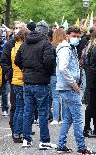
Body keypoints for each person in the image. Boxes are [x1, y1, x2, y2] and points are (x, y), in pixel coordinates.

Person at [15, 20, 57, 149]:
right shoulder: (46, 44)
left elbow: (17, 60)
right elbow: (49, 62)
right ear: (45, 31)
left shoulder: (25, 43)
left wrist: (26, 70)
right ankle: (44, 141)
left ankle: (26, 139)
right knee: (43, 112)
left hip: (27, 82)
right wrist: (47, 72)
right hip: (41, 82)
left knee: (28, 111)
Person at [56, 26, 95, 154]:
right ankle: (81, 147)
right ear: (67, 36)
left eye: (78, 36)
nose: (77, 39)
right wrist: (74, 84)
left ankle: (61, 145)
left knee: (68, 119)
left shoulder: (69, 48)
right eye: (74, 36)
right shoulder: (66, 49)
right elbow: (63, 68)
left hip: (67, 88)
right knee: (78, 119)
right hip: (69, 89)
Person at [11, 29, 30, 143]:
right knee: (22, 108)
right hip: (21, 80)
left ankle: (16, 132)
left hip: (15, 80)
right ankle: (18, 133)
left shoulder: (14, 47)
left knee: (18, 108)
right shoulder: (22, 48)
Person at [49, 29, 67, 125]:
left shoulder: (51, 46)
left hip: (53, 74)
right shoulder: (65, 47)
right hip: (63, 74)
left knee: (55, 97)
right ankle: (64, 118)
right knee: (63, 97)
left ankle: (55, 118)